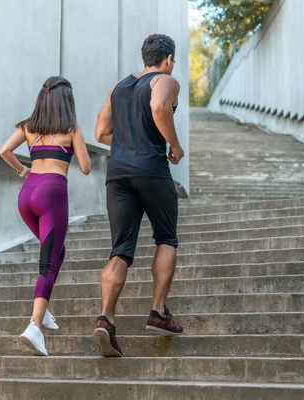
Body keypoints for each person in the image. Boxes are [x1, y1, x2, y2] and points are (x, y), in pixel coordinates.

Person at [92, 34, 185, 357]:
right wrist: (173, 144)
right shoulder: (165, 80)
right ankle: (158, 311)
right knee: (166, 239)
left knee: (120, 250)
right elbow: (159, 105)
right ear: (169, 59)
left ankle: (106, 320)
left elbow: (100, 132)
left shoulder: (119, 87)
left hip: (117, 174)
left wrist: (130, 135)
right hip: (151, 170)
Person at [0, 76, 91, 356]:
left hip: (27, 195)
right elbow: (86, 168)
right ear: (68, 101)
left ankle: (45, 309)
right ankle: (34, 326)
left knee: (56, 251)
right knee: (48, 264)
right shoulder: (71, 128)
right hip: (52, 194)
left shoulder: (28, 126)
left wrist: (23, 170)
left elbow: (5, 150)